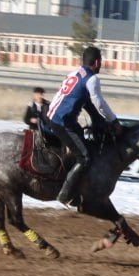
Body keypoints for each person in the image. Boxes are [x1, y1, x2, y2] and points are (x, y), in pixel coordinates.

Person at [43, 46, 119, 207]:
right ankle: (66, 195)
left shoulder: (75, 73)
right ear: (97, 62)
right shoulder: (92, 79)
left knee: (83, 144)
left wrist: (99, 120)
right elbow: (99, 103)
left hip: (53, 116)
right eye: (101, 62)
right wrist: (113, 120)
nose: (101, 65)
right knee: (85, 157)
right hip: (62, 122)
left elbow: (85, 103)